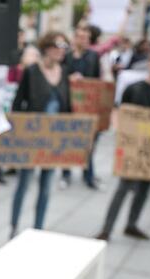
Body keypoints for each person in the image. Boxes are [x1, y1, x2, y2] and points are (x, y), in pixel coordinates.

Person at [96, 49, 150, 241]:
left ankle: (132, 224)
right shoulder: (134, 89)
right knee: (123, 189)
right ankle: (107, 229)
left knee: (144, 189)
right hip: (133, 148)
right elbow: (123, 116)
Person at [9, 31, 71, 238]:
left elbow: (67, 106)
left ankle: (38, 228)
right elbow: (19, 102)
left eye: (64, 48)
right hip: (32, 137)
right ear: (47, 48)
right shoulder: (32, 71)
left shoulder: (64, 72)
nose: (61, 52)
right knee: (24, 183)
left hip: (53, 139)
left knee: (46, 186)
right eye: (58, 47)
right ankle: (14, 226)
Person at [62, 24, 101, 189]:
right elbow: (61, 75)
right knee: (68, 140)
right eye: (80, 36)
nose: (83, 39)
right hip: (70, 103)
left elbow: (97, 79)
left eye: (86, 37)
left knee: (89, 142)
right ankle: (66, 173)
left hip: (87, 105)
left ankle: (88, 175)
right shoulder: (67, 56)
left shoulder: (93, 56)